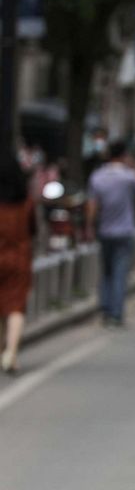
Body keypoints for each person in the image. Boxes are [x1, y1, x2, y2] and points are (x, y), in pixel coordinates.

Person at [84, 141, 135, 329]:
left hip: (105, 230)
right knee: (119, 273)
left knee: (106, 271)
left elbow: (92, 205)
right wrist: (133, 168)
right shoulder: (128, 177)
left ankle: (105, 309)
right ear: (124, 156)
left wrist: (89, 226)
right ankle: (116, 314)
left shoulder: (98, 176)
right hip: (124, 231)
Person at [0, 159, 35, 375]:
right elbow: (33, 229)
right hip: (18, 259)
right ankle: (10, 352)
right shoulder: (26, 203)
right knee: (15, 307)